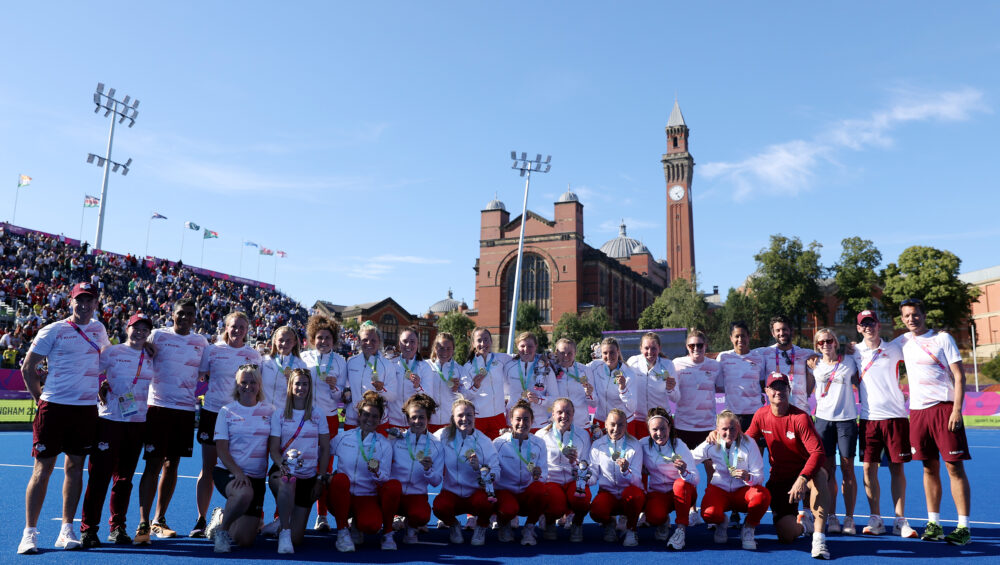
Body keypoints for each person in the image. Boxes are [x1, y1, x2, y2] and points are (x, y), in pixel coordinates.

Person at [19, 282, 110, 554]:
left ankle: (66, 529)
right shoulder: (54, 330)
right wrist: (39, 398)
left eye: (89, 300)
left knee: (75, 468)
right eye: (79, 300)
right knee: (42, 469)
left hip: (84, 409)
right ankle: (29, 533)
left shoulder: (99, 329)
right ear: (70, 302)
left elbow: (104, 359)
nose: (84, 305)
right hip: (55, 406)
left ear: (96, 303)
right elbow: (28, 367)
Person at [894, 298, 972, 546]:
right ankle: (934, 523)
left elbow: (960, 376)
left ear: (923, 315)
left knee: (954, 467)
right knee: (928, 467)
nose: (911, 319)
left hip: (944, 409)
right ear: (902, 318)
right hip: (917, 413)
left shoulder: (942, 339)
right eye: (906, 316)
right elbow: (876, 348)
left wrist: (957, 410)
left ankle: (963, 527)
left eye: (915, 314)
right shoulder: (902, 341)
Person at [80, 313, 156, 547]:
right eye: (136, 327)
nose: (140, 332)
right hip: (109, 421)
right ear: (127, 328)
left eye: (145, 329)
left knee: (124, 479)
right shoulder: (111, 352)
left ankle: (118, 527)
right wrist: (99, 388)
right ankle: (89, 530)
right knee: (99, 477)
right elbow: (91, 374)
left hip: (137, 422)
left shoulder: (152, 355)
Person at [137, 298, 208, 543]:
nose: (185, 317)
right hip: (158, 408)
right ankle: (143, 523)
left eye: (190, 314)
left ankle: (159, 520)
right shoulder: (157, 335)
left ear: (195, 317)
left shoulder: (201, 342)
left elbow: (210, 369)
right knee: (153, 465)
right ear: (172, 313)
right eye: (181, 313)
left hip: (185, 411)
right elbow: (136, 349)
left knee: (172, 465)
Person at [746, 372, 831, 559]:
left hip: (803, 474)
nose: (779, 391)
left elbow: (818, 453)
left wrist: (802, 478)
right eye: (774, 387)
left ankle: (819, 538)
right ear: (766, 391)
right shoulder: (760, 415)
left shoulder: (800, 417)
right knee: (786, 536)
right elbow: (744, 442)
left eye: (783, 387)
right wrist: (717, 436)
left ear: (789, 390)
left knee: (821, 476)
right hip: (780, 479)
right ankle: (804, 526)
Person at [192, 311, 261, 538]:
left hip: (242, 418)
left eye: (242, 327)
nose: (237, 330)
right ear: (226, 327)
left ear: (247, 330)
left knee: (242, 466)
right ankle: (201, 520)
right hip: (213, 413)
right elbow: (198, 377)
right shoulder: (212, 350)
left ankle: (235, 513)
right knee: (209, 468)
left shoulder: (253, 355)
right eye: (234, 326)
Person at [850, 309, 915, 538]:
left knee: (898, 468)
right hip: (868, 419)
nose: (868, 327)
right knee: (869, 468)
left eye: (872, 323)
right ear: (859, 328)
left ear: (879, 325)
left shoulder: (896, 346)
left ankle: (900, 520)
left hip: (896, 416)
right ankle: (875, 518)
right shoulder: (853, 351)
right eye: (864, 324)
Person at [205, 364, 274, 553]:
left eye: (253, 382)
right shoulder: (226, 411)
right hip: (228, 472)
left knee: (244, 540)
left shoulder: (270, 412)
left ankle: (221, 516)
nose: (248, 386)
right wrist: (238, 473)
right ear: (237, 385)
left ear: (259, 385)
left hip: (257, 478)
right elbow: (221, 449)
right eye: (243, 382)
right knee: (244, 493)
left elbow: (275, 445)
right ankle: (222, 530)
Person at [326, 391, 401, 552]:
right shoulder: (343, 437)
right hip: (340, 496)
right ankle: (342, 532)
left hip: (366, 497)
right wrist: (326, 475)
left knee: (371, 526)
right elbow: (324, 452)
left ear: (380, 420)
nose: (370, 419)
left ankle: (357, 525)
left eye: (375, 416)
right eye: (366, 414)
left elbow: (385, 478)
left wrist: (376, 472)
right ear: (359, 415)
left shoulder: (384, 444)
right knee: (338, 479)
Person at [267, 368, 331, 554]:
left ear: (310, 387)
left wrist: (320, 478)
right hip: (283, 473)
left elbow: (325, 448)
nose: (301, 387)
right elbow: (273, 449)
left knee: (299, 539)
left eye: (305, 384)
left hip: (309, 476)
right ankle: (284, 533)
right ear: (290, 386)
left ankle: (280, 524)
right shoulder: (279, 414)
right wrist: (283, 466)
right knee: (288, 482)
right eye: (297, 383)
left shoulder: (318, 414)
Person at [691, 410, 770, 550]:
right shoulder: (712, 443)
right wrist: (672, 460)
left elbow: (759, 476)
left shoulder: (749, 443)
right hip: (720, 489)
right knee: (709, 514)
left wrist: (748, 477)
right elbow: (691, 458)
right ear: (717, 430)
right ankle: (722, 523)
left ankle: (749, 528)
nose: (729, 432)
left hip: (743, 491)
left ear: (739, 427)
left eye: (732, 428)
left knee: (762, 496)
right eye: (724, 429)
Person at [809, 328, 859, 535]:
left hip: (846, 421)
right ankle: (832, 516)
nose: (825, 345)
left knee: (848, 470)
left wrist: (853, 347)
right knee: (827, 472)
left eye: (829, 341)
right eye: (821, 343)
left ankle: (849, 518)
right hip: (823, 422)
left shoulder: (849, 361)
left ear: (836, 342)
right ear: (816, 346)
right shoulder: (814, 364)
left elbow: (863, 378)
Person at [432, 397, 501, 546]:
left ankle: (482, 526)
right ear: (453, 418)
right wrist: (402, 435)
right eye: (460, 415)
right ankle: (454, 525)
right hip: (452, 493)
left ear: (475, 416)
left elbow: (496, 470)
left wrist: (481, 468)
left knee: (488, 502)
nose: (465, 419)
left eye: (469, 415)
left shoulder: (484, 441)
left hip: (475, 494)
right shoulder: (443, 435)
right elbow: (425, 440)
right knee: (439, 506)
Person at [300, 314, 346, 532]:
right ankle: (290, 513)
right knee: (301, 463)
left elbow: (342, 398)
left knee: (325, 467)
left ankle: (322, 515)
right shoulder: (303, 357)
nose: (323, 341)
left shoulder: (340, 361)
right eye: (319, 337)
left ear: (333, 340)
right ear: (312, 338)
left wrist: (335, 387)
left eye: (328, 338)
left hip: (329, 417)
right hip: (306, 416)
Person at [387, 393, 444, 545]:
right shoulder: (396, 439)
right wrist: (388, 441)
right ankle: (387, 532)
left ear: (428, 419)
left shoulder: (436, 445)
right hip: (395, 495)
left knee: (421, 515)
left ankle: (411, 527)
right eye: (413, 417)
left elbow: (436, 481)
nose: (417, 421)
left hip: (416, 495)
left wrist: (428, 470)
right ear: (407, 418)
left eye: (422, 418)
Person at [493, 399, 549, 545]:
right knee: (508, 508)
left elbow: (544, 475)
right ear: (510, 420)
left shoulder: (539, 443)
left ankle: (529, 528)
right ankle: (504, 524)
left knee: (541, 490)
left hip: (526, 493)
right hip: (506, 492)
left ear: (532, 421)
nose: (522, 423)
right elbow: (492, 472)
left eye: (526, 419)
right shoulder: (499, 443)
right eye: (518, 419)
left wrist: (538, 475)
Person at [641, 408, 698, 550]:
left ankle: (680, 530)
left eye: (662, 429)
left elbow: (696, 479)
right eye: (655, 429)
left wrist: (684, 472)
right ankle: (663, 521)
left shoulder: (679, 445)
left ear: (669, 427)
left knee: (680, 484)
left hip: (682, 493)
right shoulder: (642, 445)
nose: (659, 434)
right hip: (658, 493)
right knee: (653, 517)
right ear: (648, 429)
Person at [537, 397, 592, 541]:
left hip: (573, 479)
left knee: (583, 498)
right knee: (555, 506)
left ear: (573, 414)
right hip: (551, 481)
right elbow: (537, 464)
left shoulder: (583, 435)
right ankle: (549, 521)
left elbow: (587, 464)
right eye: (560, 412)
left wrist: (576, 462)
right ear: (553, 414)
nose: (564, 416)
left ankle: (577, 524)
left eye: (568, 412)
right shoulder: (541, 435)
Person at [588, 408, 645, 547]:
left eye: (620, 425)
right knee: (596, 511)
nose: (616, 429)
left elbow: (637, 480)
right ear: (605, 424)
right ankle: (610, 523)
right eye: (612, 424)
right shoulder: (597, 445)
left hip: (629, 493)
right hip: (608, 494)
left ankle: (631, 529)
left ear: (626, 426)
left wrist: (626, 471)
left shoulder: (634, 445)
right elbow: (593, 475)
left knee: (635, 496)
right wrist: (583, 476)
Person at [342, 322, 399, 433]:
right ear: (359, 341)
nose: (369, 343)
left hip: (377, 420)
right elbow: (346, 388)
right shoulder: (351, 362)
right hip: (353, 418)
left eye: (373, 340)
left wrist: (381, 389)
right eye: (365, 340)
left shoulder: (387, 365)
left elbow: (393, 396)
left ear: (379, 342)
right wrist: (345, 395)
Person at [755, 315, 817, 413]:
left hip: (801, 412)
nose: (781, 333)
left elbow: (830, 357)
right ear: (773, 333)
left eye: (784, 329)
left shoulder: (806, 354)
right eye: (778, 330)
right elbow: (742, 355)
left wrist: (848, 351)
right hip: (775, 413)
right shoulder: (764, 353)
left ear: (791, 331)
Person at [717, 322, 767, 434]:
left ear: (748, 337)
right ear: (731, 338)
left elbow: (762, 383)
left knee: (756, 449)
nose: (740, 339)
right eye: (736, 336)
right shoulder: (723, 357)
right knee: (733, 449)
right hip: (733, 414)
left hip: (756, 412)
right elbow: (720, 385)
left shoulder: (759, 358)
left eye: (743, 336)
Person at [625, 332, 676, 439]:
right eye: (646, 348)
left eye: (654, 348)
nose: (650, 352)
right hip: (639, 420)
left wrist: (671, 389)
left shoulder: (667, 364)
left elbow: (676, 398)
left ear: (659, 348)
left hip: (661, 419)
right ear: (641, 348)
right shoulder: (633, 362)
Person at [462, 327, 511, 439]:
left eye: (486, 339)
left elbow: (521, 357)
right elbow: (465, 396)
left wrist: (542, 358)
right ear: (473, 344)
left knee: (498, 450)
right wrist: (475, 386)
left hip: (498, 416)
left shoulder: (501, 358)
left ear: (491, 341)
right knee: (480, 451)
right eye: (479, 340)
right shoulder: (468, 367)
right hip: (478, 418)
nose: (483, 343)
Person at [504, 332, 558, 430]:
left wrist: (539, 400)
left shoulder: (545, 367)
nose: (526, 350)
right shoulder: (509, 366)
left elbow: (555, 399)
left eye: (530, 346)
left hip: (538, 423)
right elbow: (503, 392)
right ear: (517, 346)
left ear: (536, 346)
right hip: (514, 423)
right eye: (522, 346)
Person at [586, 337, 636, 432]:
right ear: (601, 353)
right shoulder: (595, 366)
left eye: (612, 352)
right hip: (600, 420)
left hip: (622, 422)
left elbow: (632, 407)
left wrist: (623, 389)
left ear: (618, 351)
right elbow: (578, 369)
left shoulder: (628, 374)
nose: (608, 356)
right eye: (605, 353)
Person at [391, 327, 436, 431]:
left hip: (415, 423)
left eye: (412, 342)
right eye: (405, 341)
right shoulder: (391, 364)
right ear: (399, 343)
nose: (408, 345)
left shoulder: (424, 367)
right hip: (392, 421)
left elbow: (429, 397)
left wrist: (418, 387)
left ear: (417, 344)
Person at [261, 325, 308, 415]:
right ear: (274, 341)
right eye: (281, 340)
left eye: (288, 341)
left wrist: (293, 384)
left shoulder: (300, 365)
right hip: (264, 414)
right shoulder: (264, 361)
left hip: (286, 415)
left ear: (294, 342)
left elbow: (304, 394)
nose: (284, 344)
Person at [550, 338, 596, 429]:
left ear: (575, 353)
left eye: (570, 353)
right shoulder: (551, 370)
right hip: (558, 425)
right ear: (556, 352)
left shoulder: (585, 370)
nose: (566, 356)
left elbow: (594, 403)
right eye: (562, 353)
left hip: (581, 424)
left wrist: (589, 394)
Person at [427, 332, 465, 432]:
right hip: (429, 419)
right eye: (441, 348)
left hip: (450, 420)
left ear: (453, 350)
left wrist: (458, 390)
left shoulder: (459, 369)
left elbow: (465, 396)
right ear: (435, 348)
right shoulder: (425, 366)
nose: (445, 352)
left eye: (449, 349)